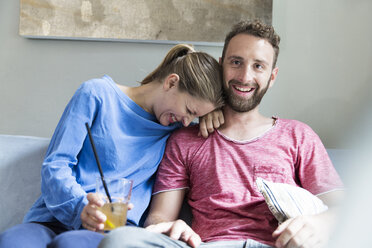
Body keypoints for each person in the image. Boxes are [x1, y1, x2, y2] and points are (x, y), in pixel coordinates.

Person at [98, 20, 344, 248]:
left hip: (275, 245)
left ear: (272, 76)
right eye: (236, 62)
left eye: (258, 66)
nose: (245, 76)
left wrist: (320, 223)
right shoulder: (185, 139)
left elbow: (343, 209)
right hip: (208, 245)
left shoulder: (298, 135)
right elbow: (159, 218)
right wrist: (173, 226)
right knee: (120, 240)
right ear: (221, 65)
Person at [0, 44, 225, 248]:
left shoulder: (177, 132)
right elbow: (55, 165)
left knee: (71, 244)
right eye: (189, 110)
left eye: (195, 117)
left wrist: (210, 117)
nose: (187, 121)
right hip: (51, 220)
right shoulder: (96, 94)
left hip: (109, 230)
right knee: (12, 242)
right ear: (171, 82)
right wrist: (80, 209)